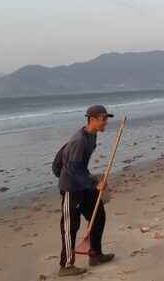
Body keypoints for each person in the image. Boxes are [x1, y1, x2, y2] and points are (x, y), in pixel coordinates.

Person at [53, 105, 115, 277]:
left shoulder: (92, 135)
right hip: (71, 189)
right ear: (92, 119)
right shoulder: (79, 140)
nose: (106, 122)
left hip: (83, 185)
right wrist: (93, 184)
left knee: (99, 215)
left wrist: (92, 180)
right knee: (70, 227)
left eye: (106, 118)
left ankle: (95, 254)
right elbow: (72, 169)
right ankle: (65, 266)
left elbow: (78, 166)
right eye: (103, 119)